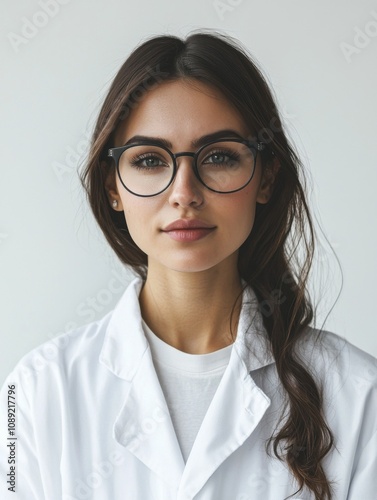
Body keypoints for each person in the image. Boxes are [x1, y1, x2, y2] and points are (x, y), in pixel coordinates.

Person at [1, 30, 376, 500]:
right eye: (150, 160)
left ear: (266, 176)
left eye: (218, 156)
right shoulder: (33, 393)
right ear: (112, 186)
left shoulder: (360, 397)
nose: (184, 193)